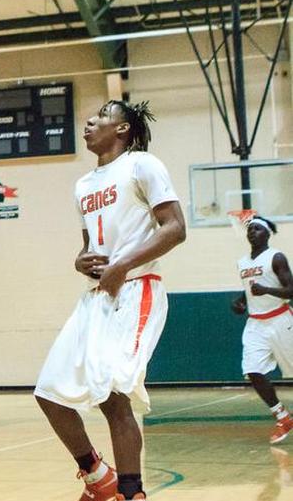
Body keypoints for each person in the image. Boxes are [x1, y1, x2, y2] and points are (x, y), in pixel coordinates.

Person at [33, 100, 187, 501]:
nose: (89, 121)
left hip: (137, 288)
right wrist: (80, 260)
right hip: (97, 296)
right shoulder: (83, 185)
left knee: (114, 398)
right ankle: (98, 475)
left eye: (101, 116)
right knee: (49, 392)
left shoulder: (143, 165)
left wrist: (123, 265)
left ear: (122, 129)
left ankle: (131, 492)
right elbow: (91, 248)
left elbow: (175, 228)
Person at [230, 215, 293, 443]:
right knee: (252, 369)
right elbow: (250, 291)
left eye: (257, 229)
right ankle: (282, 416)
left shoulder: (275, 257)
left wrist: (266, 290)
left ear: (267, 233)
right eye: (249, 229)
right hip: (256, 323)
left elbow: (290, 290)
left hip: (281, 320)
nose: (252, 232)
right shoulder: (242, 262)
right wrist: (241, 302)